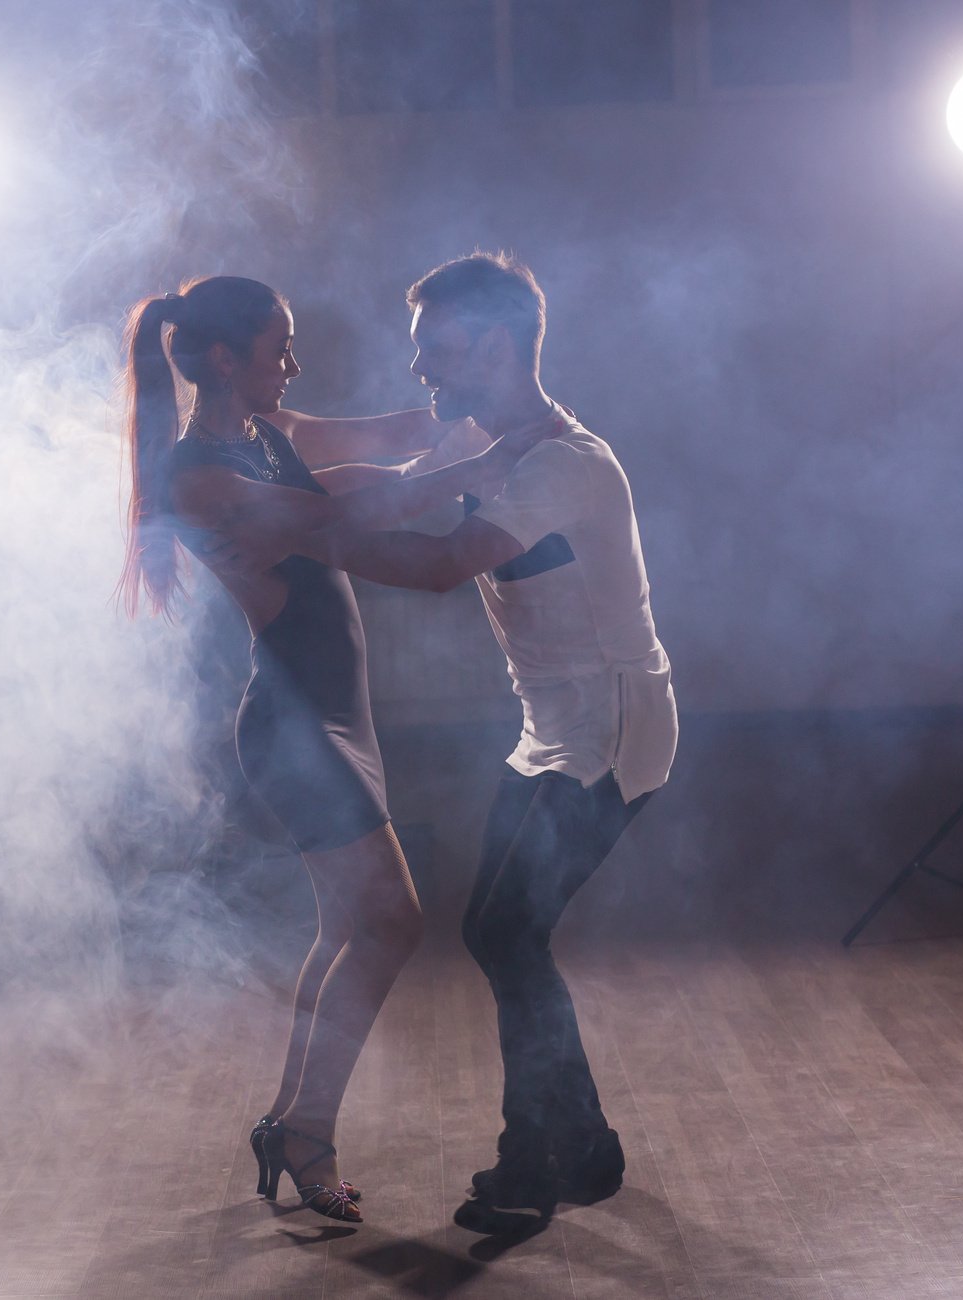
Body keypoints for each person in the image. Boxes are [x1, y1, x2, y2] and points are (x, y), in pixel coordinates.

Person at [230, 253, 678, 1229]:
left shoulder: (565, 462)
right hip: (546, 728)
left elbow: (441, 564)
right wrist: (261, 496)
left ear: (498, 341)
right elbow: (388, 490)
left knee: (501, 932)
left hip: (613, 728)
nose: (423, 368)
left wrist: (301, 536)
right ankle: (587, 1147)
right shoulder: (478, 439)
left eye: (438, 349)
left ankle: (535, 1163)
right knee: (503, 933)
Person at [119, 274, 521, 1223]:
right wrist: (482, 465)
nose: (291, 365)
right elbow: (340, 519)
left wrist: (468, 403)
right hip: (294, 725)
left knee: (346, 929)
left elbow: (386, 443)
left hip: (342, 715)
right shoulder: (200, 476)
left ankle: (289, 1125)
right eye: (278, 349)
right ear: (224, 358)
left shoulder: (267, 435)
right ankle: (305, 1130)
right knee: (391, 922)